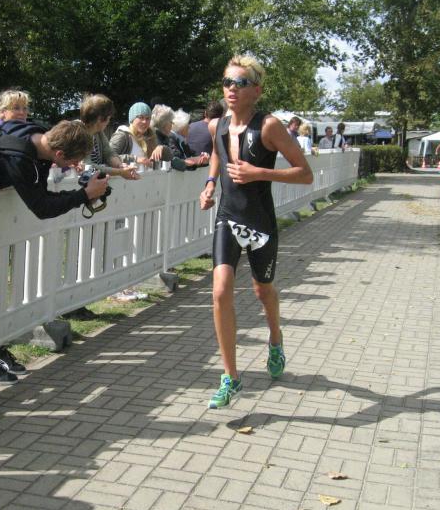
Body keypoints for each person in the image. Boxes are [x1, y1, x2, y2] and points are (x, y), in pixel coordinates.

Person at [199, 54, 313, 409]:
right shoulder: (216, 125)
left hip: (260, 221)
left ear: (257, 91)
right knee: (220, 291)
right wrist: (210, 182)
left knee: (263, 290)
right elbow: (217, 153)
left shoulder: (269, 126)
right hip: (228, 216)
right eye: (227, 82)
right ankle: (231, 377)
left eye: (241, 83)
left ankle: (275, 339)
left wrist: (258, 173)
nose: (231, 89)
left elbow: (305, 173)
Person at [0, 119, 110, 383]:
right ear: (59, 153)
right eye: (71, 161)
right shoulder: (19, 158)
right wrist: (84, 195)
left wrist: (83, 192)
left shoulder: (37, 134)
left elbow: (41, 195)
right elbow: (42, 207)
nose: (71, 166)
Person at [79, 93, 138, 180]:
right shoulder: (79, 134)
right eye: (109, 118)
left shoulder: (98, 132)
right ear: (100, 119)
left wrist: (120, 165)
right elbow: (88, 166)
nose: (109, 121)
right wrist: (119, 172)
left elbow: (108, 153)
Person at [109, 102, 171, 167]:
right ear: (132, 119)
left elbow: (170, 157)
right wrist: (135, 159)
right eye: (141, 117)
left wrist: (162, 149)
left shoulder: (150, 136)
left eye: (148, 118)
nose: (144, 122)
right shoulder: (122, 135)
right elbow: (109, 157)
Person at [152, 104, 208, 170]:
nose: (172, 124)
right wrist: (191, 161)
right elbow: (173, 161)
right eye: (171, 122)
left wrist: (200, 160)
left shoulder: (179, 141)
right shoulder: (166, 139)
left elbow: (188, 160)